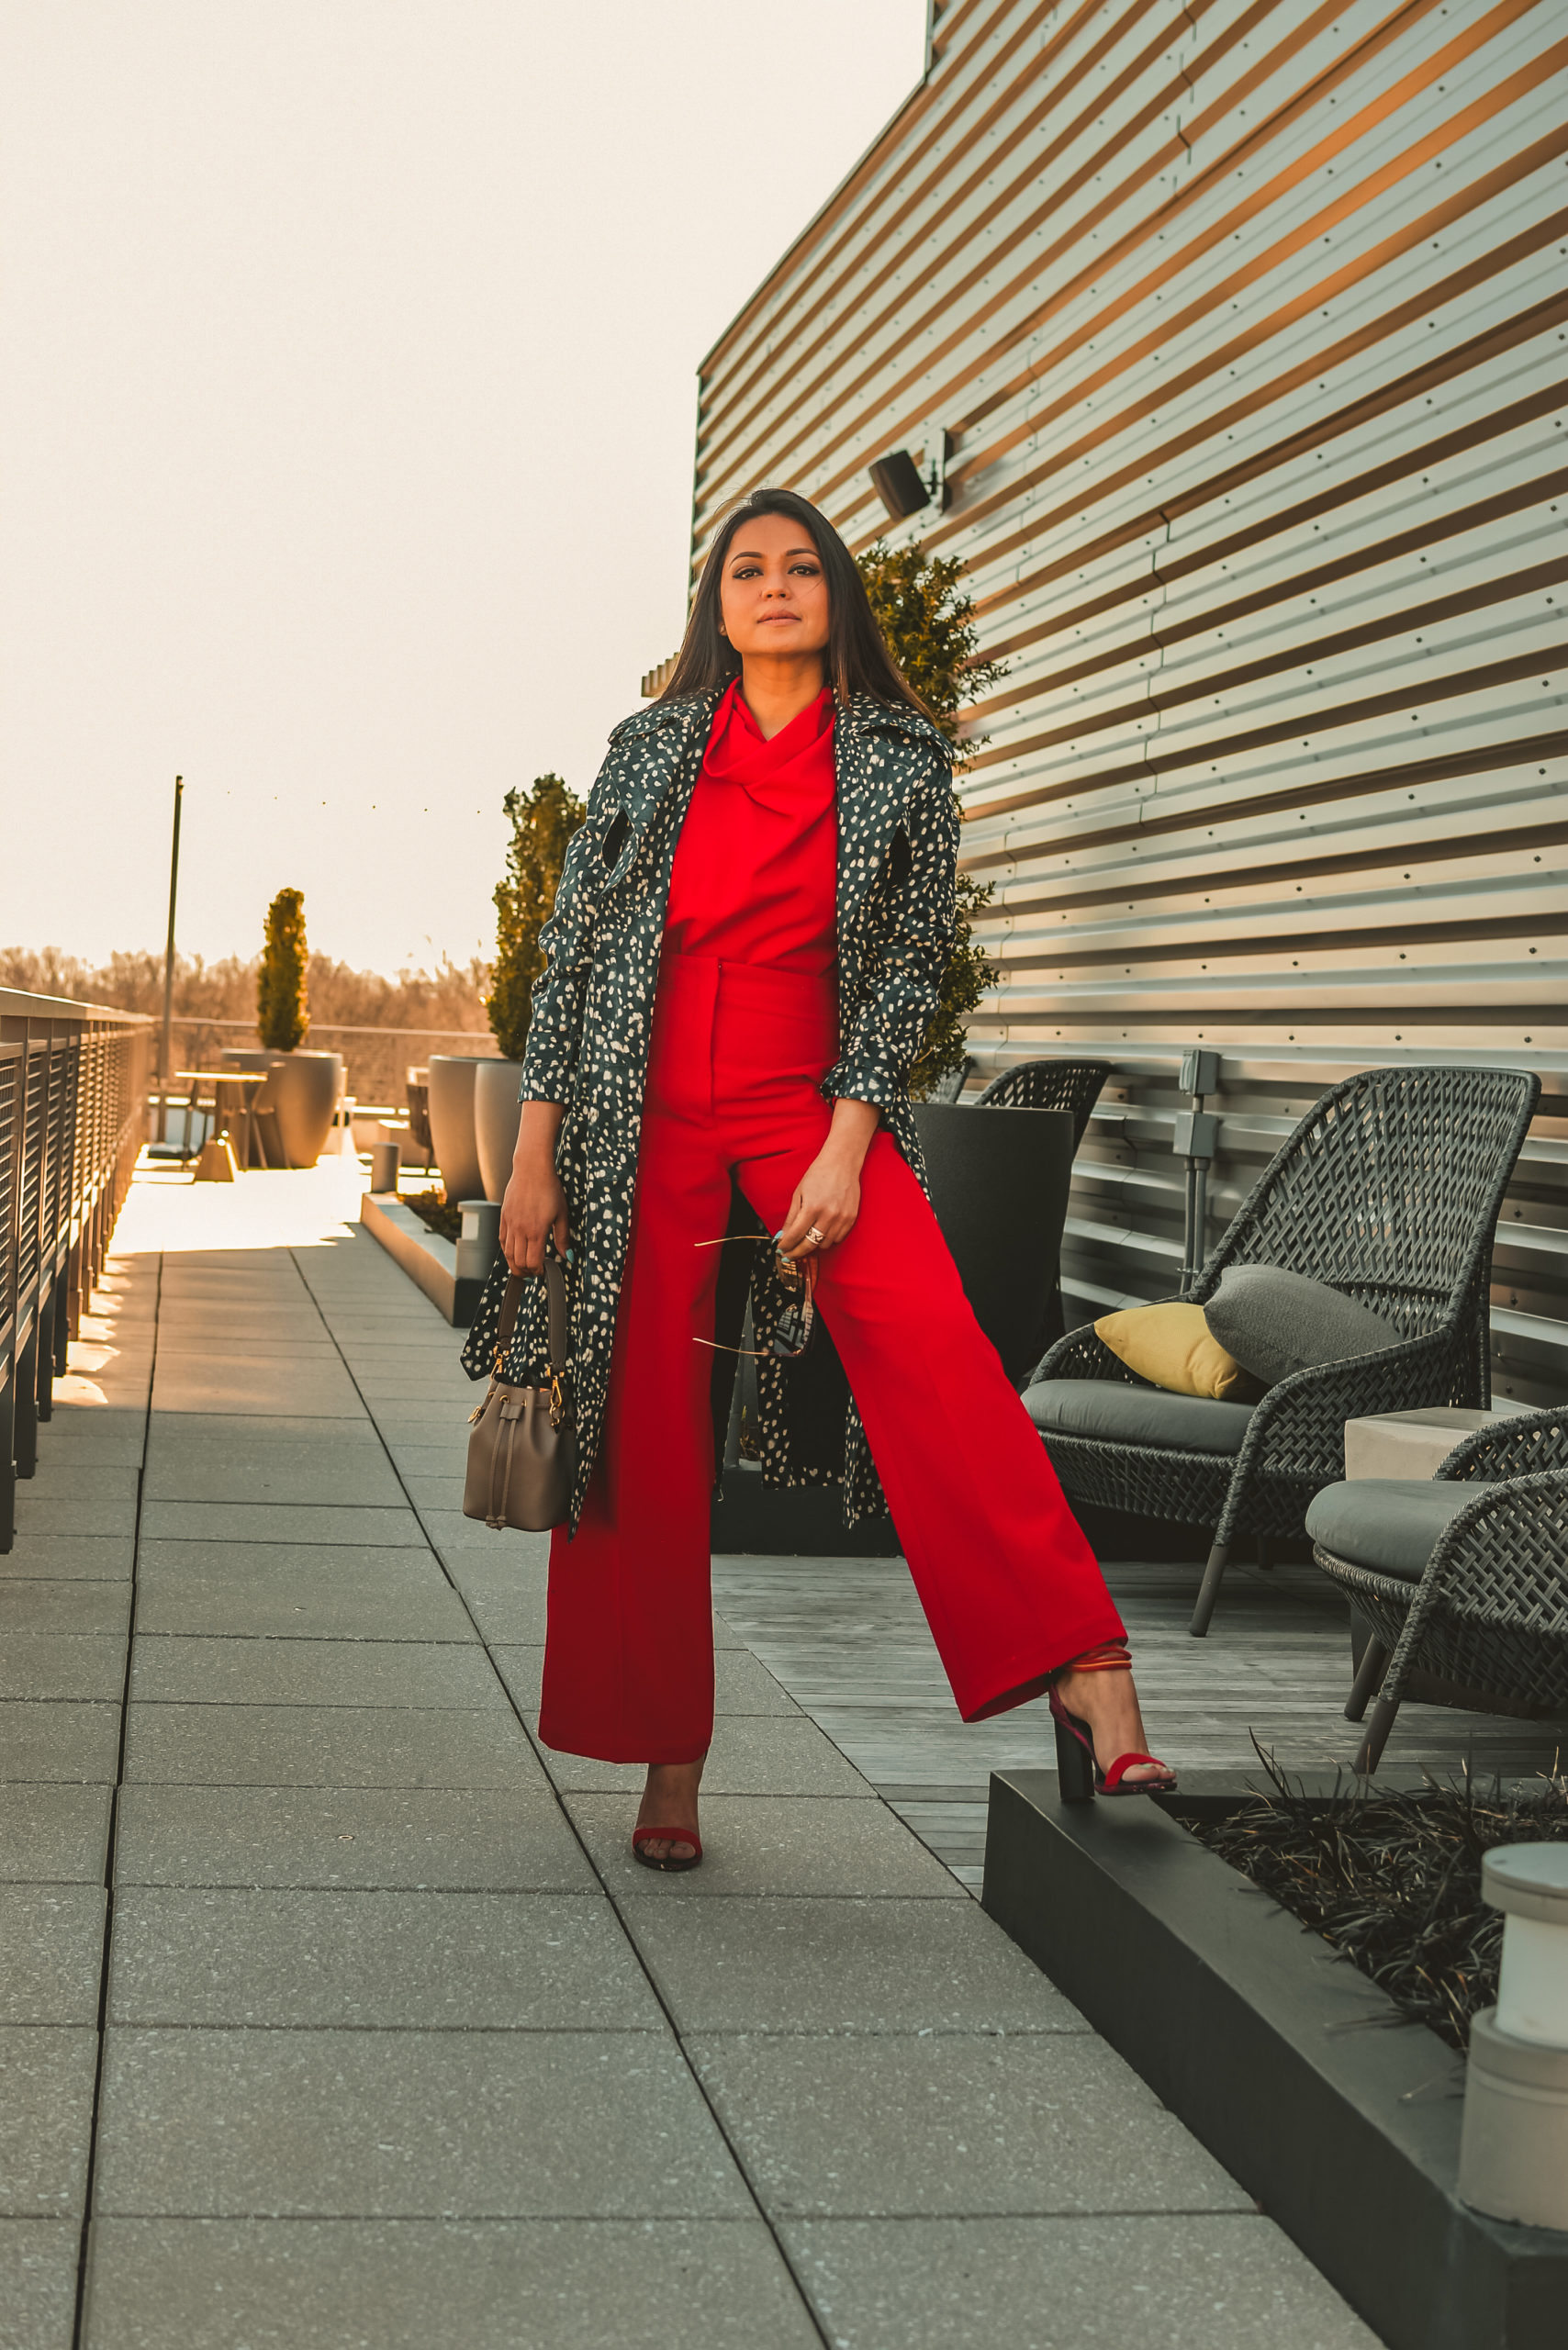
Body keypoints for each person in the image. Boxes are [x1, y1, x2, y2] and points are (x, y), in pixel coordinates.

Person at [474, 486, 1173, 1870]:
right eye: (748, 570)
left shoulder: (902, 761)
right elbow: (579, 953)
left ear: (837, 598)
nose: (776, 587)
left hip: (812, 1093)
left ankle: (1086, 1663)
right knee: (650, 1429)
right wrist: (534, 1148)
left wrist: (851, 1143)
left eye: (803, 568)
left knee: (939, 1356)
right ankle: (668, 1761)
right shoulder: (651, 746)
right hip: (642, 1101)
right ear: (716, 605)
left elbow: (912, 967)